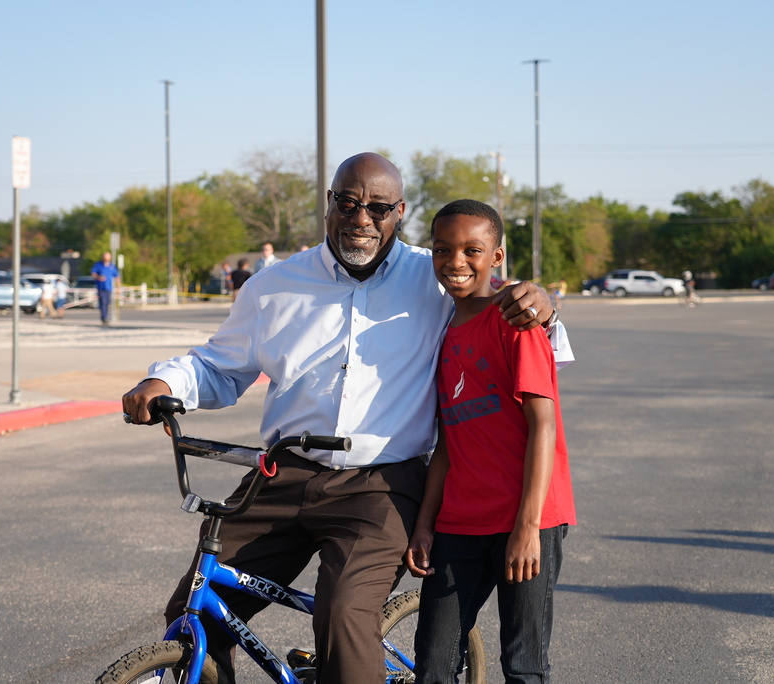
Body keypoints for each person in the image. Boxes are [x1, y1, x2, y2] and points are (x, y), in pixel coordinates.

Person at [121, 153, 570, 684]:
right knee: (196, 609)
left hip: (381, 483)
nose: (362, 219)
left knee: (342, 618)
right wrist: (165, 383)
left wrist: (542, 306)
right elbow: (220, 365)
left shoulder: (436, 275)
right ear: (329, 204)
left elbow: (515, 322)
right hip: (283, 474)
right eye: (349, 203)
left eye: (378, 207)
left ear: (398, 212)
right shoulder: (274, 287)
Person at [406, 199, 576, 684]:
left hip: (528, 517)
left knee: (522, 665)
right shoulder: (441, 332)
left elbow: (544, 425)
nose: (455, 262)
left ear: (496, 257)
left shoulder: (515, 323)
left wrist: (527, 528)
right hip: (460, 522)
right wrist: (424, 524)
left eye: (471, 250)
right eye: (443, 249)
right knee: (434, 665)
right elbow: (447, 440)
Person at [91, 252, 120, 325]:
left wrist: (118, 287)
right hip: (101, 288)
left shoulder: (112, 267)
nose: (106, 258)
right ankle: (104, 317)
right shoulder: (98, 265)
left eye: (108, 256)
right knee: (103, 303)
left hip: (109, 288)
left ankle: (105, 316)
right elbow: (93, 274)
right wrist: (98, 277)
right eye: (105, 256)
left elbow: (117, 277)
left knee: (107, 303)